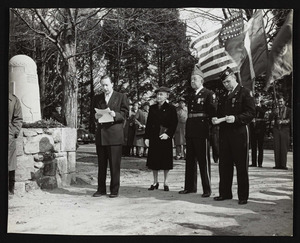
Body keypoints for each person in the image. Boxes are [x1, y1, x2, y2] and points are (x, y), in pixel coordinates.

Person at [212, 67, 255, 205]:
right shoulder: (224, 95)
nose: (226, 85)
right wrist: (215, 119)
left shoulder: (245, 93)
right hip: (225, 133)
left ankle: (243, 196)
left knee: (241, 165)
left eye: (228, 81)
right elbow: (220, 113)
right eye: (224, 83)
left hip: (239, 133)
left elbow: (250, 113)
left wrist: (236, 118)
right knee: (224, 164)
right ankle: (225, 193)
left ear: (234, 77)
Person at [179, 65, 217, 198]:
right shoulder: (191, 95)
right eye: (191, 80)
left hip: (202, 131)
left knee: (203, 160)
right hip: (191, 130)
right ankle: (190, 187)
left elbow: (212, 113)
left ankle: (207, 189)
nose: (192, 82)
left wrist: (210, 131)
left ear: (202, 80)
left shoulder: (208, 94)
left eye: (195, 79)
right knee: (190, 160)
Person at [92, 75, 129, 198]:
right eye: (102, 85)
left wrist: (116, 114)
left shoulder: (120, 97)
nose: (105, 87)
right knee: (101, 165)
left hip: (114, 135)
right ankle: (101, 189)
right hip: (101, 135)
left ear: (112, 84)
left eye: (107, 85)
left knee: (114, 165)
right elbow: (92, 113)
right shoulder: (97, 98)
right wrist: (95, 117)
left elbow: (125, 113)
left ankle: (114, 190)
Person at [144, 86, 178, 191]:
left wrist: (168, 134)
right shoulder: (152, 108)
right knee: (154, 161)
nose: (159, 96)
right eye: (158, 94)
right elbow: (149, 123)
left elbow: (174, 123)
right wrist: (147, 137)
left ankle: (166, 182)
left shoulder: (171, 108)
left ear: (167, 96)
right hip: (154, 137)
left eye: (161, 94)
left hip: (164, 137)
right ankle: (155, 182)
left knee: (165, 161)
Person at [269, 95, 291, 170]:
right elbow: (270, 118)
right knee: (277, 147)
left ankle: (283, 164)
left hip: (285, 130)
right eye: (279, 102)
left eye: (281, 101)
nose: (280, 103)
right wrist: (273, 113)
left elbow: (289, 120)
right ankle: (277, 164)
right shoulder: (275, 110)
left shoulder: (289, 110)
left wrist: (282, 121)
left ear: (284, 102)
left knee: (284, 148)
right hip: (276, 130)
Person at [8, 93, 23, 195]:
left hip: (8, 137)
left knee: (9, 164)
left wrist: (13, 133)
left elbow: (18, 119)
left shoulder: (13, 99)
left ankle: (9, 190)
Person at [249, 94, 268, 167]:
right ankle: (254, 163)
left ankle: (260, 163)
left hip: (260, 129)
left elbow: (264, 113)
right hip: (253, 128)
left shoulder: (263, 107)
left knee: (260, 146)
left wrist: (257, 107)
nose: (256, 100)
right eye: (255, 99)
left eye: (258, 99)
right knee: (253, 146)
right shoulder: (251, 107)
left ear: (260, 99)